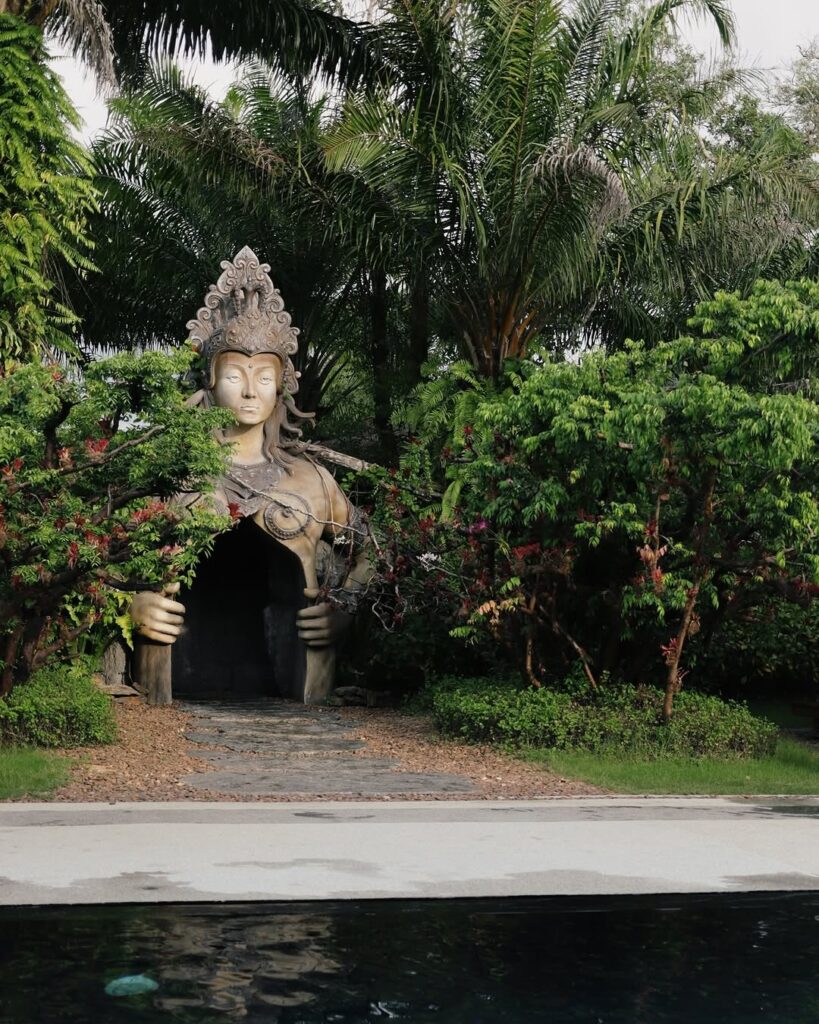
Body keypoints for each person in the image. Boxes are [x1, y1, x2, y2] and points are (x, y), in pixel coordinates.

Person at [130, 247, 370, 702]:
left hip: (295, 703)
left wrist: (344, 608)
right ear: (209, 380)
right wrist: (132, 606)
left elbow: (372, 550)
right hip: (178, 688)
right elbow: (97, 558)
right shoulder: (168, 477)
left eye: (262, 377)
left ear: (281, 385)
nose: (248, 391)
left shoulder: (313, 481)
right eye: (235, 375)